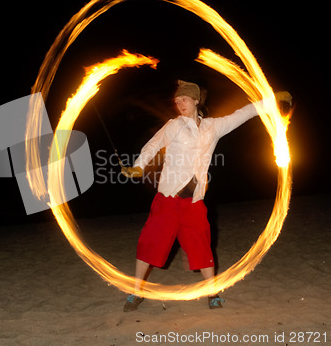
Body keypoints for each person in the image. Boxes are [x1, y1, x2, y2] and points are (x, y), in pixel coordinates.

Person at [121, 80, 291, 312]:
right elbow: (153, 144)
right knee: (149, 244)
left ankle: (212, 294)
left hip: (194, 201)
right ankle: (136, 292)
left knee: (202, 247)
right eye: (177, 100)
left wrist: (270, 101)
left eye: (184, 99)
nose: (179, 103)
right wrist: (139, 166)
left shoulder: (214, 127)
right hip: (168, 198)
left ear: (196, 100)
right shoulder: (174, 125)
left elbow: (244, 113)